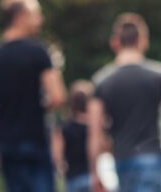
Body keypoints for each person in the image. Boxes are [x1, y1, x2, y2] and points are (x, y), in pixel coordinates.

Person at [0, 0, 66, 192]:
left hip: (6, 142)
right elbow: (58, 97)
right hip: (34, 139)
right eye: (36, 14)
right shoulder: (38, 52)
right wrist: (37, 109)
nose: (40, 19)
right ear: (21, 17)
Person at [88, 13, 161, 192]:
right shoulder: (157, 76)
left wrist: (94, 173)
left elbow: (94, 134)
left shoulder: (101, 81)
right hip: (151, 157)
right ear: (143, 40)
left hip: (120, 161)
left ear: (115, 42)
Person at [51, 80, 93, 192]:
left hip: (73, 177)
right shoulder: (94, 127)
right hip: (93, 177)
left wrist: (61, 168)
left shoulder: (63, 127)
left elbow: (56, 155)